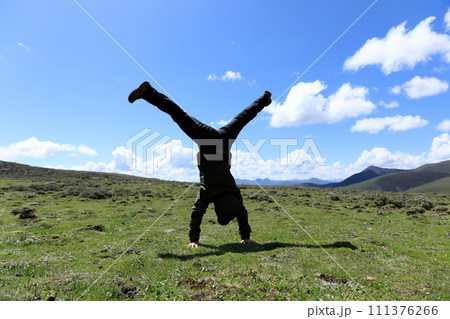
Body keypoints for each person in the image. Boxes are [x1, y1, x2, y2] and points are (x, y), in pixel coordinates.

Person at [128, 82, 272, 248]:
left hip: (223, 140)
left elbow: (242, 212)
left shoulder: (234, 192)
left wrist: (245, 236)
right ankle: (148, 92)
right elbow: (197, 213)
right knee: (178, 114)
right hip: (208, 139)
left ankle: (263, 100)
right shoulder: (208, 192)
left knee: (241, 118)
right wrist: (193, 239)